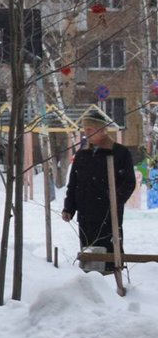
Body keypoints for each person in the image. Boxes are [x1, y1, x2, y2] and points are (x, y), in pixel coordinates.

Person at [61, 108, 136, 259]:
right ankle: (90, 278)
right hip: (86, 213)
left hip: (108, 213)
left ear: (102, 130)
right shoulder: (82, 155)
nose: (86, 133)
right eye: (85, 129)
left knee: (110, 249)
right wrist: (69, 207)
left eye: (90, 129)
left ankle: (112, 273)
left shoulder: (119, 153)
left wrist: (114, 200)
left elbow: (128, 182)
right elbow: (74, 183)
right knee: (89, 250)